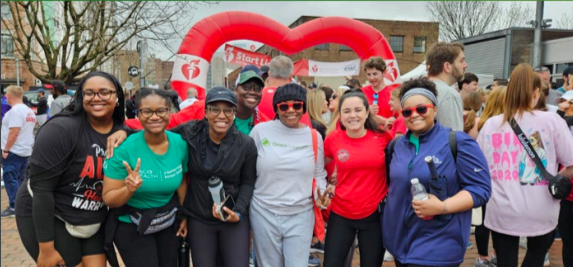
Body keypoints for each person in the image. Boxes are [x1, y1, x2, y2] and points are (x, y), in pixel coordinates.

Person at [107, 87, 258, 267]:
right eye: (215, 109)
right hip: (199, 218)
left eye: (228, 110)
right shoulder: (190, 132)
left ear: (234, 113)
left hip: (232, 218)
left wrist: (238, 212)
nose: (221, 115)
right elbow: (157, 130)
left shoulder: (246, 144)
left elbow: (248, 182)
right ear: (205, 112)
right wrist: (124, 130)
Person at [15, 72, 125, 267]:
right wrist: (46, 250)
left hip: (89, 217)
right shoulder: (61, 130)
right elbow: (42, 190)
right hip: (48, 212)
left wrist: (126, 130)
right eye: (89, 93)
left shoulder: (121, 132)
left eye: (105, 92)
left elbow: (151, 131)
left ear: (117, 97)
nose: (97, 98)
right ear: (81, 97)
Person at [383, 77, 491, 267]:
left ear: (434, 108)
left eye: (421, 109)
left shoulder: (457, 142)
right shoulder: (396, 146)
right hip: (400, 245)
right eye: (407, 111)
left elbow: (481, 189)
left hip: (438, 246)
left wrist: (443, 206)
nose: (415, 115)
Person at [477, 64, 573, 267]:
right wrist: (556, 176)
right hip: (542, 206)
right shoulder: (553, 121)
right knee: (536, 257)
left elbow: (479, 167)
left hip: (502, 207)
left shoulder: (491, 124)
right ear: (537, 92)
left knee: (505, 261)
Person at [102, 89, 189, 267]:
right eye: (147, 111)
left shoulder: (180, 144)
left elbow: (180, 181)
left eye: (161, 111)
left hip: (168, 222)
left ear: (169, 113)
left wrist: (184, 215)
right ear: (138, 115)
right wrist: (128, 189)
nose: (154, 117)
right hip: (132, 225)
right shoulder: (123, 149)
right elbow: (109, 198)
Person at [249, 83, 328, 267]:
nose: (290, 110)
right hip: (263, 212)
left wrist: (321, 193)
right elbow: (248, 173)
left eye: (297, 105)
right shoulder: (260, 132)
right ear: (277, 108)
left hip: (300, 214)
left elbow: (319, 174)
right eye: (284, 106)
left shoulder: (314, 136)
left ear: (304, 107)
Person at [322, 89, 392, 267]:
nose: (353, 116)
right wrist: (328, 183)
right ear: (340, 115)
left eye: (358, 110)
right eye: (346, 111)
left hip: (374, 215)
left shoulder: (383, 137)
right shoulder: (333, 139)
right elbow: (320, 166)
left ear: (367, 112)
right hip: (341, 212)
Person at [1, 85, 36, 218]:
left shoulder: (15, 111)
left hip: (14, 151)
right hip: (25, 150)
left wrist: (6, 149)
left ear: (8, 96)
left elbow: (14, 132)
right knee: (21, 179)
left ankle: (14, 206)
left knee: (11, 178)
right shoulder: (29, 111)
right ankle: (22, 205)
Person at [258, 56, 312, 126]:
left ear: (269, 74)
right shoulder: (296, 102)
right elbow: (305, 131)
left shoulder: (256, 96)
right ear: (290, 76)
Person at [426, 42, 467, 131]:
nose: (465, 65)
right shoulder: (449, 94)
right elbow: (453, 137)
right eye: (461, 61)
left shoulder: (419, 89)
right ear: (447, 66)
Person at [361, 56, 396, 126]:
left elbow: (400, 119)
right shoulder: (361, 93)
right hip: (367, 134)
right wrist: (366, 111)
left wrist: (383, 121)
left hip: (388, 134)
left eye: (375, 74)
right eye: (368, 74)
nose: (371, 78)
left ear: (384, 73)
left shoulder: (393, 93)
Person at [233, 70, 268, 135]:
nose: (252, 92)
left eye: (257, 88)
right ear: (236, 90)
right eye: (246, 87)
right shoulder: (223, 119)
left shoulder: (265, 123)